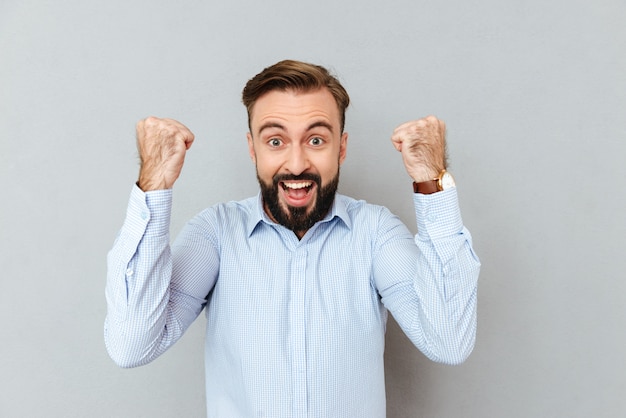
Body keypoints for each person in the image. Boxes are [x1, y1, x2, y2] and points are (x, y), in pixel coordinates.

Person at [104, 59, 480, 417]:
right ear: (252, 148)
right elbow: (131, 345)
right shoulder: (215, 234)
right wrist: (153, 183)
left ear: (342, 149)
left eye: (316, 141)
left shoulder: (374, 232)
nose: (297, 163)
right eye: (275, 141)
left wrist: (432, 180)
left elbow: (448, 341)